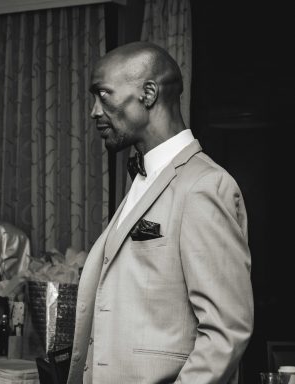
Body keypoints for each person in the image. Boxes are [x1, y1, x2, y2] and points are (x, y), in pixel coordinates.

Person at [67, 42, 253, 383]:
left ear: (148, 93)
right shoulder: (143, 178)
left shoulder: (204, 186)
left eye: (103, 94)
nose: (94, 111)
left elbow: (226, 331)